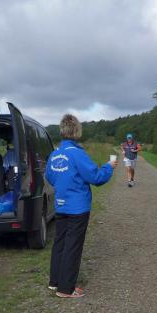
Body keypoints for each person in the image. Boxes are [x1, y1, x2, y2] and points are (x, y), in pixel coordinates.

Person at [46, 114, 116, 298]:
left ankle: (55, 282)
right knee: (73, 246)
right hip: (77, 208)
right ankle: (66, 289)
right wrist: (109, 167)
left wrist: (64, 185)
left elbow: (50, 177)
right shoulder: (77, 153)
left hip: (61, 206)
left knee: (60, 243)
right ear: (76, 131)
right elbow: (96, 178)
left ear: (62, 130)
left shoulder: (54, 154)